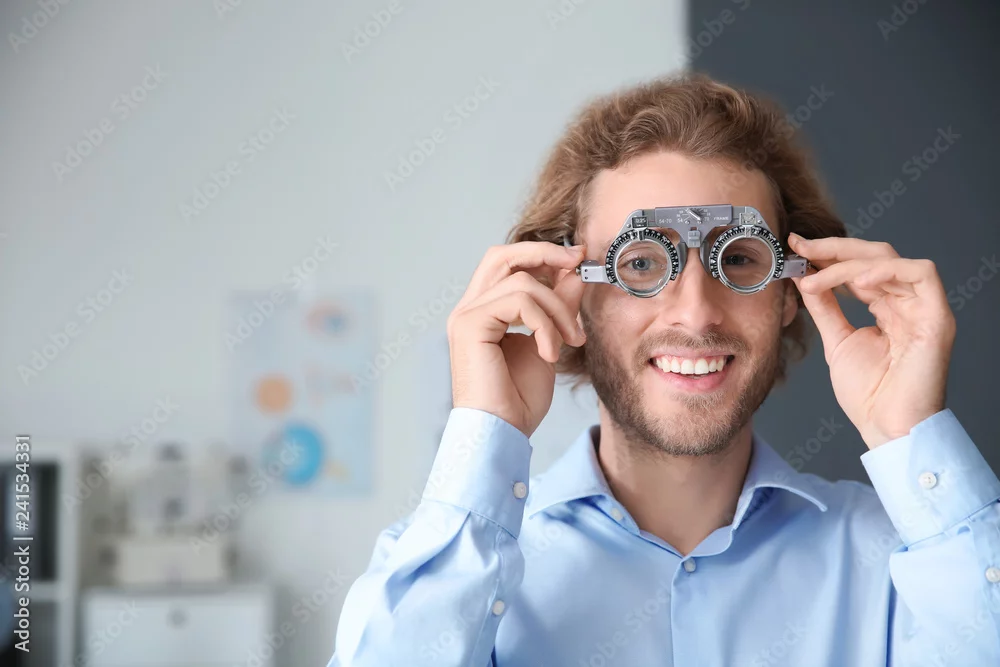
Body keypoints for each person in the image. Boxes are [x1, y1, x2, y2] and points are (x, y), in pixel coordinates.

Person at [328, 73, 1000, 666]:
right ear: (568, 294)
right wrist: (485, 430)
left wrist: (909, 429)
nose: (696, 312)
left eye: (739, 258)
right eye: (643, 262)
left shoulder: (905, 559)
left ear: (791, 291)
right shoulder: (462, 559)